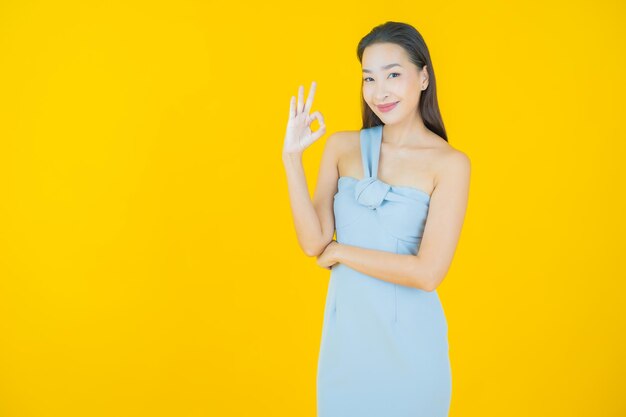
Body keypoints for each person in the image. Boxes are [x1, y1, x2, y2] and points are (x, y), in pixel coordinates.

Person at [282, 21, 470, 417]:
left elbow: (428, 274)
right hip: (346, 345)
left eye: (393, 75)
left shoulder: (450, 165)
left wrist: (342, 251)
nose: (379, 91)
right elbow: (313, 243)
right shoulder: (341, 147)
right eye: (369, 78)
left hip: (411, 352)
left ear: (423, 77)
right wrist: (291, 159)